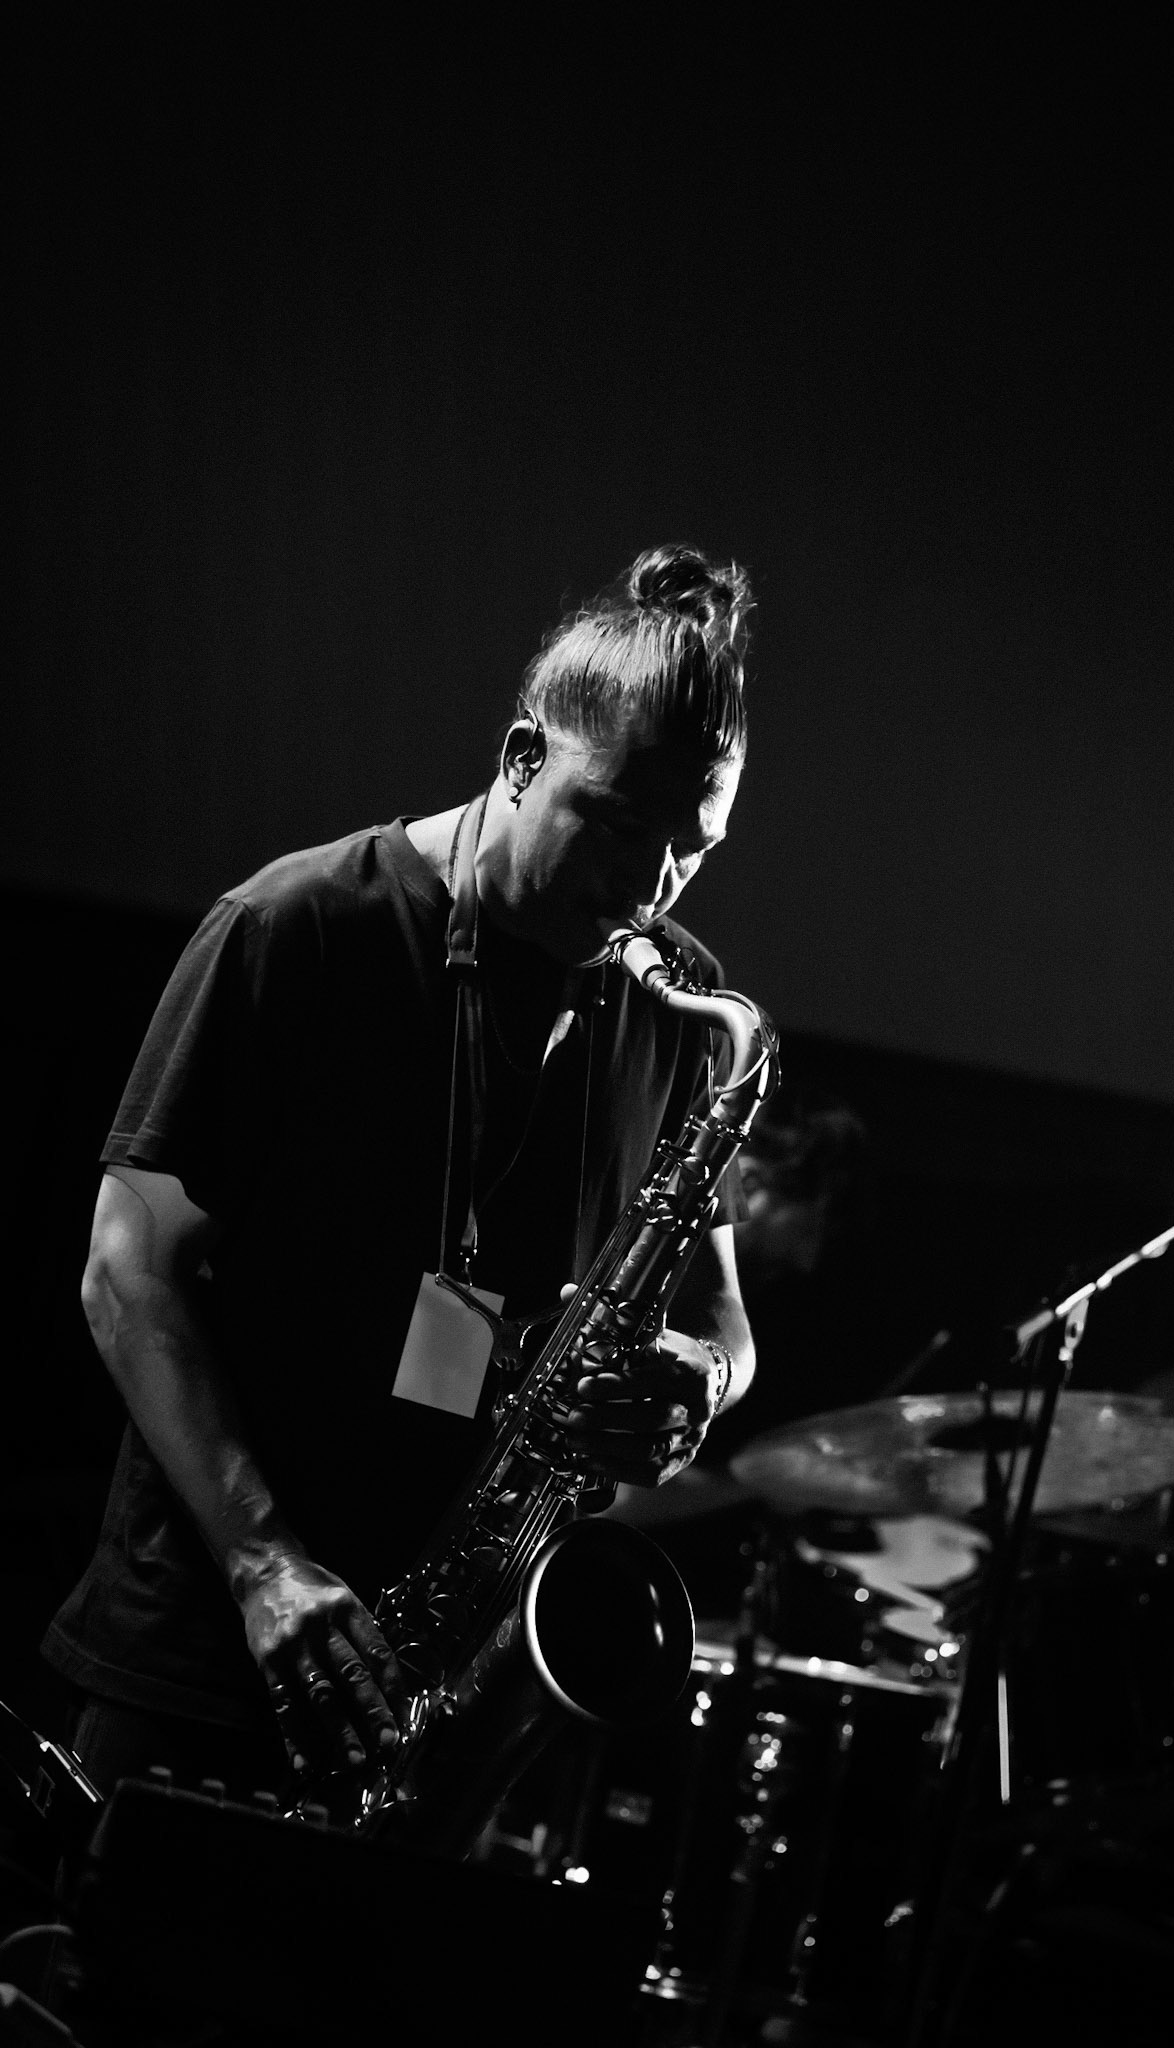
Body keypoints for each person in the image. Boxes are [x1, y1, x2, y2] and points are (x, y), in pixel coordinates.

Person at [42, 543, 758, 1812]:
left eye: (691, 848)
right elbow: (124, 1269)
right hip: (218, 1649)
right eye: (621, 825)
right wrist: (267, 1565)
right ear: (523, 756)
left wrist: (697, 1379)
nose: (647, 888)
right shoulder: (296, 926)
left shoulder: (685, 1006)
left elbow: (721, 1318)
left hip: (441, 1699)